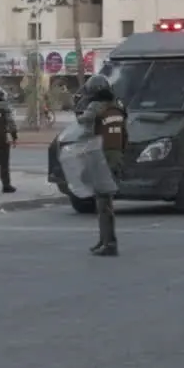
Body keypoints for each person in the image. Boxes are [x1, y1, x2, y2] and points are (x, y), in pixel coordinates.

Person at [76, 74, 126, 256]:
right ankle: (104, 239)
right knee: (104, 203)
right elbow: (124, 135)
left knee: (103, 204)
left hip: (101, 156)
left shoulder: (95, 107)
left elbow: (84, 126)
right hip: (116, 157)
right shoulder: (118, 107)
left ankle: (109, 243)